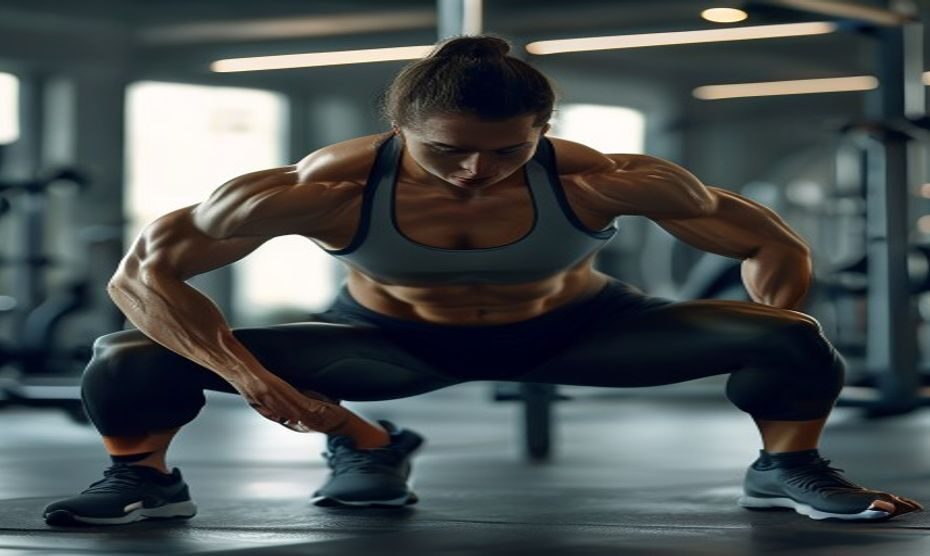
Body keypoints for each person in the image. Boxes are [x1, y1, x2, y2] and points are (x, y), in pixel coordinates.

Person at [44, 35, 921, 526]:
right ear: (400, 127)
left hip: (585, 332)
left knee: (795, 340)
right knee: (125, 355)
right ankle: (152, 480)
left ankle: (785, 465)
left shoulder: (608, 178)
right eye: (447, 150)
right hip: (386, 345)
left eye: (508, 150)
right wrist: (252, 378)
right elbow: (144, 274)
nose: (475, 171)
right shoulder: (324, 188)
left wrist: (768, 333)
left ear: (544, 127)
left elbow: (771, 243)